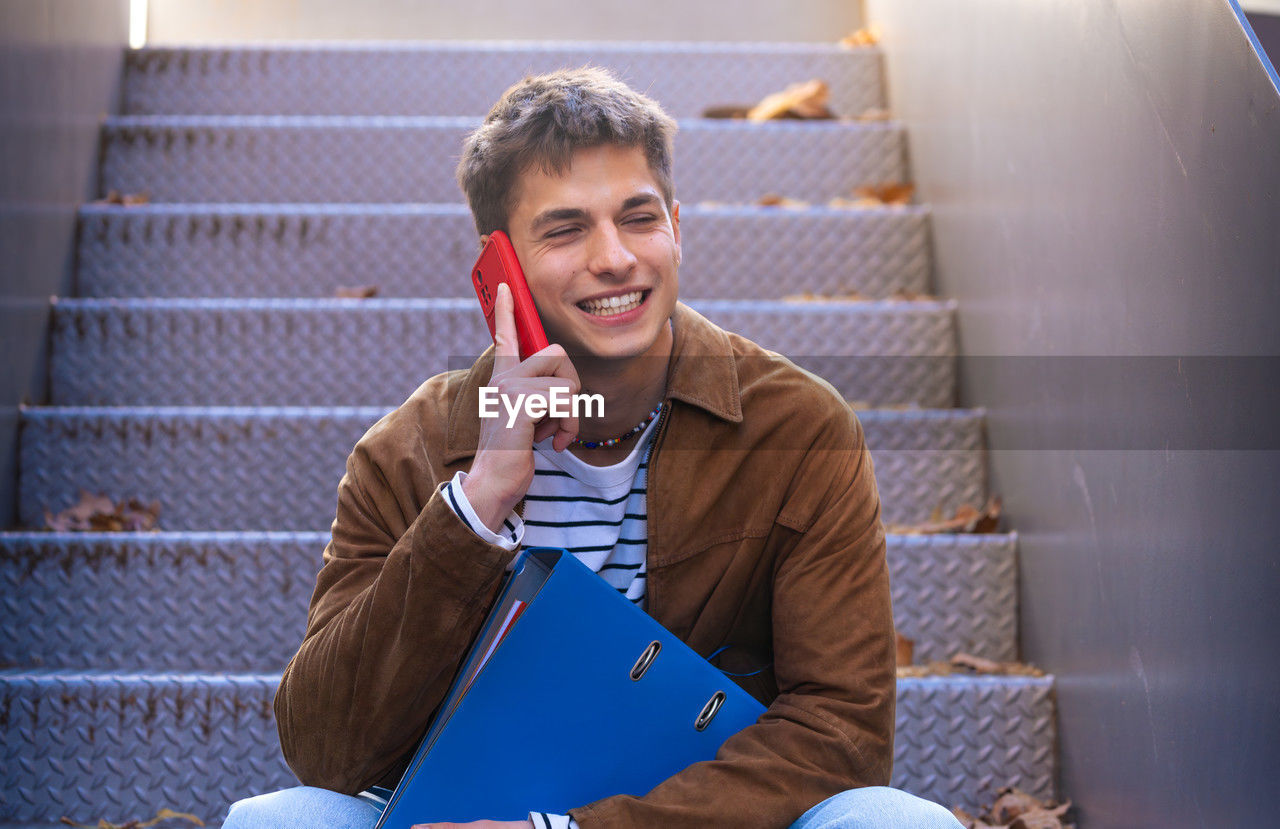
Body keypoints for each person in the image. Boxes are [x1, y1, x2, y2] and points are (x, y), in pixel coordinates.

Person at [223, 67, 961, 829]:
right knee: (274, 821)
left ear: (677, 226)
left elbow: (842, 735)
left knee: (899, 823)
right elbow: (324, 748)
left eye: (639, 218)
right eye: (567, 228)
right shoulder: (408, 451)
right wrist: (476, 506)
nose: (614, 257)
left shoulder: (800, 430)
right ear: (497, 267)